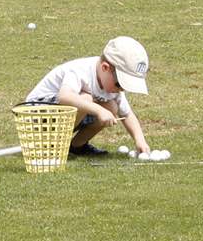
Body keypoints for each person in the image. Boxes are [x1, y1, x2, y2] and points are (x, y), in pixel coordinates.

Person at [24, 35, 152, 156]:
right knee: (86, 98)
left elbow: (127, 114)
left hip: (62, 119)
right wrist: (98, 110)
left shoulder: (113, 88)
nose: (120, 90)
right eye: (119, 84)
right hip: (37, 113)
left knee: (112, 107)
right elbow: (65, 97)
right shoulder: (80, 71)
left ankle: (76, 146)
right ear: (105, 68)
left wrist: (139, 140)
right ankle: (53, 146)